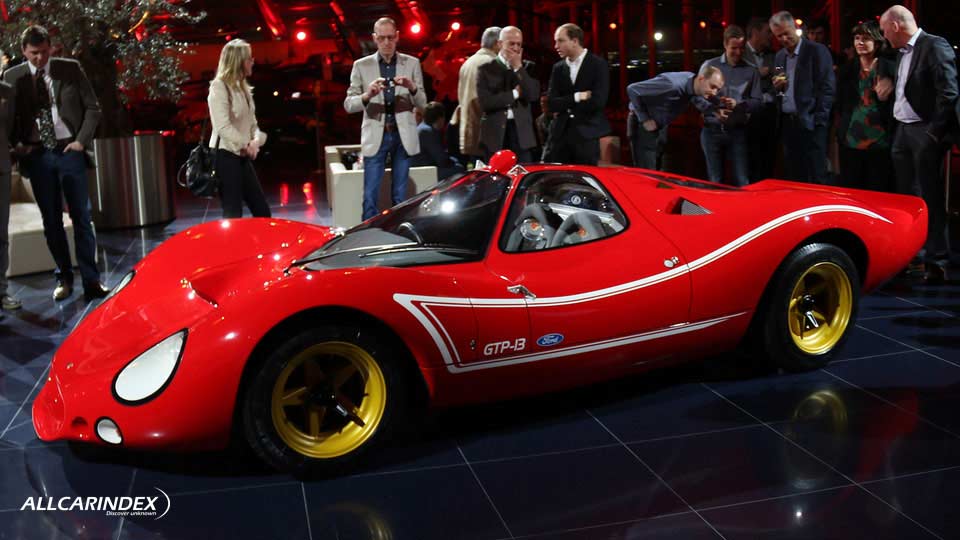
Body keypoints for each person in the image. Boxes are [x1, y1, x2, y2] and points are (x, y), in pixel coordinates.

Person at [4, 25, 107, 302]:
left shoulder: (69, 69)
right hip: (38, 156)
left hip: (69, 150)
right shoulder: (13, 77)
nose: (40, 58)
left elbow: (93, 108)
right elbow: (7, 118)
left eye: (44, 52)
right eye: (34, 53)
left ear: (51, 48)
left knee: (82, 217)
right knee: (51, 221)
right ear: (23, 51)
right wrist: (18, 145)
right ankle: (64, 278)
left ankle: (92, 280)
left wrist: (81, 142)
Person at [880, 5, 958, 277]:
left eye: (884, 30)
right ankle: (914, 254)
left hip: (924, 131)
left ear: (896, 26)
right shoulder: (901, 52)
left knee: (929, 197)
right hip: (902, 130)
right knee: (907, 198)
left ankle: (938, 259)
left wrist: (933, 134)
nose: (884, 36)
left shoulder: (934, 46)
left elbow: (949, 94)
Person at [344, 17, 427, 221]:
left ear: (397, 36)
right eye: (382, 38)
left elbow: (423, 103)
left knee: (400, 196)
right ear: (374, 38)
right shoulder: (361, 66)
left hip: (403, 136)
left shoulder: (412, 63)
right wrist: (368, 95)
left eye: (390, 37)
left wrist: (411, 87)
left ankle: (398, 233)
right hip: (376, 135)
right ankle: (367, 234)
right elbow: (349, 105)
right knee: (370, 196)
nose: (387, 42)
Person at [770, 11, 835, 184]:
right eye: (779, 36)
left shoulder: (816, 51)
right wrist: (777, 88)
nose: (784, 39)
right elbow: (780, 90)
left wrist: (819, 120)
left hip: (811, 122)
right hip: (788, 123)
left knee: (817, 174)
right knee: (794, 175)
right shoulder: (780, 56)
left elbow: (827, 89)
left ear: (796, 27)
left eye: (786, 33)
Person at [692, 25, 762, 186]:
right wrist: (714, 110)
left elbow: (758, 102)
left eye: (741, 48)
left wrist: (739, 105)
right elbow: (696, 95)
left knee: (742, 181)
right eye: (734, 48)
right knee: (715, 181)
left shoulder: (751, 71)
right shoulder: (709, 66)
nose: (738, 52)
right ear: (725, 44)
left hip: (738, 132)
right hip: (711, 130)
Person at [208, 39, 270, 219]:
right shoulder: (219, 87)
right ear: (238, 62)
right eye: (249, 58)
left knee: (262, 211)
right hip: (225, 156)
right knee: (233, 213)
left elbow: (253, 124)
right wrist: (247, 144)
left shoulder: (243, 88)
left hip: (243, 156)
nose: (253, 62)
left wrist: (256, 141)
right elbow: (223, 127)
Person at [835, 20, 896, 192]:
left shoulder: (891, 69)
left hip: (881, 141)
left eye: (866, 38)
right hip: (851, 140)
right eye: (857, 38)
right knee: (852, 191)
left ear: (877, 42)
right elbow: (839, 104)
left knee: (878, 191)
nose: (860, 42)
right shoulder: (846, 70)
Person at [626, 66, 725, 171]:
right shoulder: (671, 84)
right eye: (712, 87)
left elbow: (696, 99)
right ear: (701, 78)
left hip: (660, 125)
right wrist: (645, 119)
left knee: (657, 169)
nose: (714, 93)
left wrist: (714, 111)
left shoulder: (693, 83)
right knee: (646, 172)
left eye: (717, 89)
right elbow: (632, 89)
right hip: (642, 124)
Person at [544, 23, 610, 165]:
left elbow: (598, 102)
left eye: (560, 41)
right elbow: (551, 104)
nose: (556, 46)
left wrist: (564, 103)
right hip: (560, 135)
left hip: (587, 135)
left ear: (574, 41)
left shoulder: (598, 64)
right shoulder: (558, 68)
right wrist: (577, 97)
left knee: (584, 177)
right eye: (556, 41)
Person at [477, 26, 539, 162]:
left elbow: (533, 95)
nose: (516, 48)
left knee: (523, 172)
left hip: (521, 135)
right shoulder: (486, 69)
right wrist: (515, 94)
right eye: (511, 44)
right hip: (495, 136)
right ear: (500, 44)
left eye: (519, 44)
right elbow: (486, 103)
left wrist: (518, 68)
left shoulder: (528, 68)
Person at [451, 26, 501, 162]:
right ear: (497, 44)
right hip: (488, 133)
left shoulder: (467, 63)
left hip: (469, 131)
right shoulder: (492, 63)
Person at [743, 17, 778, 182]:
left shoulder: (774, 56)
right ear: (755, 32)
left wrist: (778, 77)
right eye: (767, 32)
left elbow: (780, 73)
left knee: (768, 159)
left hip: (769, 114)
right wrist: (758, 73)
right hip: (747, 115)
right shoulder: (739, 52)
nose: (771, 36)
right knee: (748, 161)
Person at [412, 101, 464, 180]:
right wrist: (455, 161)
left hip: (422, 169)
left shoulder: (422, 128)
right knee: (459, 169)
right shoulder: (427, 132)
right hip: (424, 172)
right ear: (440, 118)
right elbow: (441, 160)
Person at [0, 77, 17, 310]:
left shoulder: (7, 92)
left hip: (1, 167)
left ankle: (2, 292)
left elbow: (12, 128)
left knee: (1, 235)